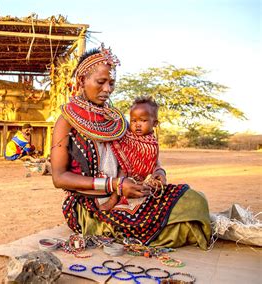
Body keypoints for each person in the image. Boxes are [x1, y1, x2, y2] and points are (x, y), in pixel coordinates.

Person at [51, 45, 211, 249]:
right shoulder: (66, 121)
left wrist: (158, 172)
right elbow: (59, 178)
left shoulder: (115, 120)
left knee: (195, 200)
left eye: (111, 83)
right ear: (82, 81)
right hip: (92, 207)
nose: (107, 89)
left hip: (127, 193)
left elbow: (143, 149)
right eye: (101, 82)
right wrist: (115, 185)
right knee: (182, 222)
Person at [99, 96, 160, 211]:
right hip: (119, 173)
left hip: (137, 179)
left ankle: (114, 199)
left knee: (126, 173)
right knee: (123, 171)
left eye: (143, 120)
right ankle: (113, 199)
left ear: (155, 123)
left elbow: (152, 162)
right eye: (134, 120)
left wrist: (158, 172)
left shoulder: (152, 144)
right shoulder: (126, 134)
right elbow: (117, 141)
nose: (137, 124)